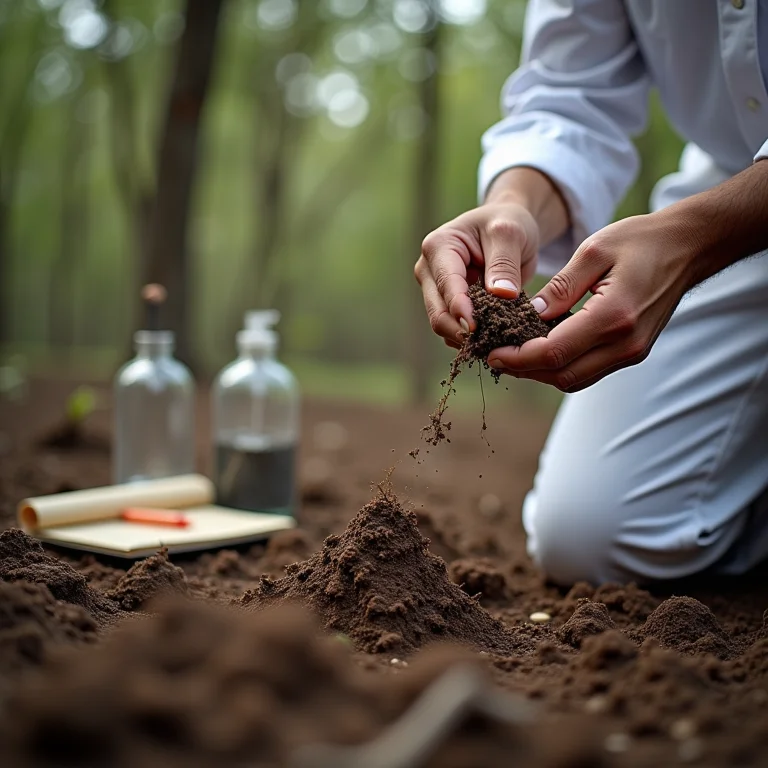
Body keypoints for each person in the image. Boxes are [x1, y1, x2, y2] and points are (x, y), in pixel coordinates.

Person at [415, 1, 768, 586]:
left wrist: (693, 238)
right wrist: (515, 206)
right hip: (730, 197)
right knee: (587, 533)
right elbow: (570, 94)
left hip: (718, 221)